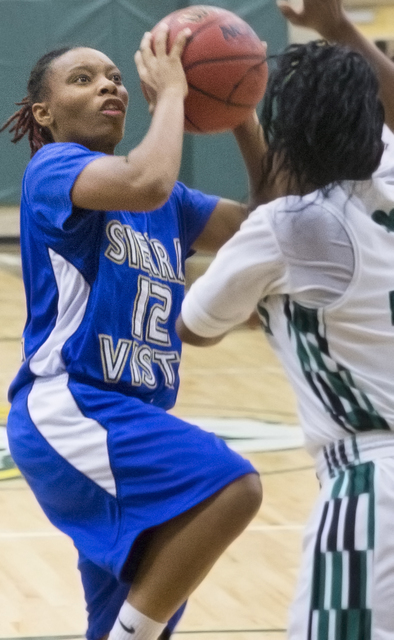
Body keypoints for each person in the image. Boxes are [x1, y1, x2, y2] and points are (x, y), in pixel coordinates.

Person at [0, 25, 267, 640]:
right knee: (231, 486)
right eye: (83, 79)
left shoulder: (169, 200)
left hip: (124, 416)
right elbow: (143, 183)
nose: (108, 86)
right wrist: (174, 94)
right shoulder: (54, 169)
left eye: (115, 78)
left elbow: (262, 224)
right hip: (72, 408)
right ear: (45, 112)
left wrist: (241, 112)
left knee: (144, 615)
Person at [176, 0, 394, 637]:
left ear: (291, 131)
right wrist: (340, 28)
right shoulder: (384, 181)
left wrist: (239, 114)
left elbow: (195, 326)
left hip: (371, 485)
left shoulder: (287, 230)